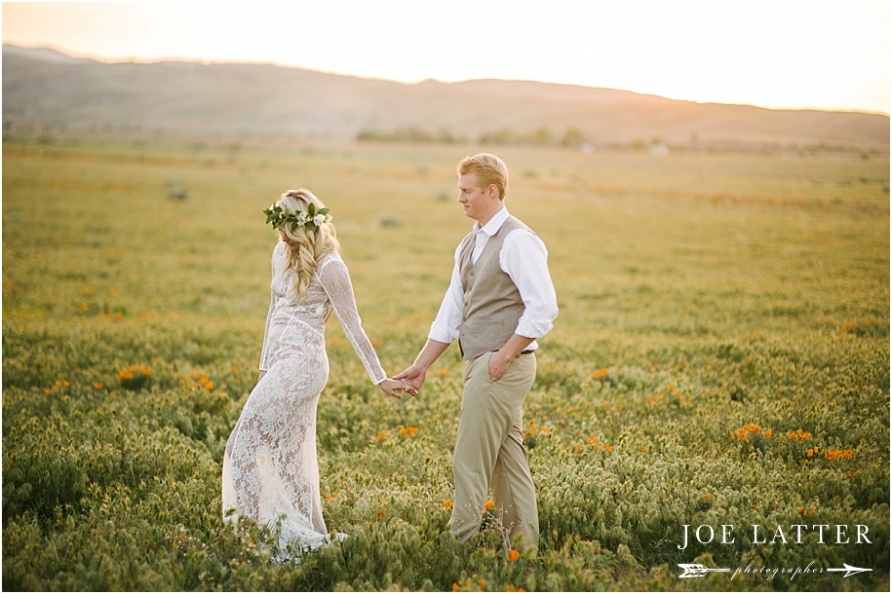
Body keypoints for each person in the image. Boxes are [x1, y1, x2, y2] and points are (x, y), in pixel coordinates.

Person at [222, 188, 408, 559]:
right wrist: (264, 367)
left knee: (240, 448)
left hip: (304, 365)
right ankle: (299, 533)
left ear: (304, 225)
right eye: (278, 225)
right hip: (279, 364)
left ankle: (250, 541)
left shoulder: (330, 266)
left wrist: (380, 377)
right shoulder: (281, 253)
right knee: (286, 456)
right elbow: (273, 312)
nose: (280, 234)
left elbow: (353, 325)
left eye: (286, 226)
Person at [396, 153, 558, 553]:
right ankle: (523, 550)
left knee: (468, 462)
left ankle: (457, 549)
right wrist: (421, 365)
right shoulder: (469, 243)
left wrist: (504, 355)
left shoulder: (518, 240)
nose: (460, 199)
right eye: (459, 191)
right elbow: (451, 312)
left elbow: (544, 307)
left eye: (467, 191)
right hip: (484, 363)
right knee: (508, 463)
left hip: (502, 365)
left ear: (492, 190)